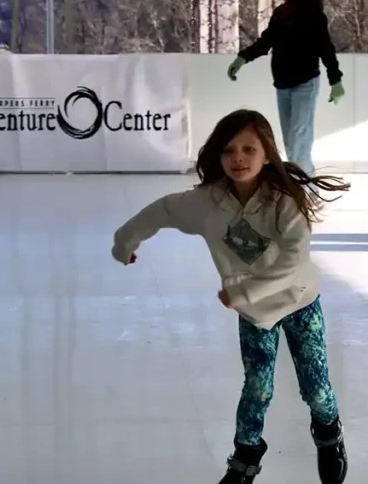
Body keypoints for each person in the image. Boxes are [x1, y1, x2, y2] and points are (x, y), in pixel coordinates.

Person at [111, 109, 350, 484]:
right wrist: (125, 240)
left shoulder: (283, 202)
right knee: (257, 388)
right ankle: (246, 455)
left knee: (316, 389)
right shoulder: (208, 203)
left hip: (300, 301)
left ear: (267, 154)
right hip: (254, 313)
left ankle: (328, 432)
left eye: (249, 149)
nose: (238, 158)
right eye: (229, 150)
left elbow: (294, 259)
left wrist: (244, 290)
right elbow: (162, 210)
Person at [227, 0, 344, 176]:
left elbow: (325, 47)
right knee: (291, 142)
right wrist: (243, 58)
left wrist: (335, 80)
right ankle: (302, 186)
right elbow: (266, 42)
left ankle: (307, 189)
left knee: (299, 141)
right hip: (283, 85)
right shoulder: (281, 14)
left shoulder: (313, 15)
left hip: (305, 84)